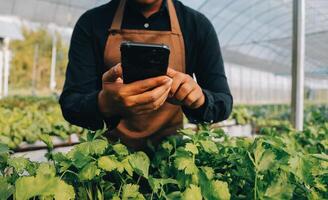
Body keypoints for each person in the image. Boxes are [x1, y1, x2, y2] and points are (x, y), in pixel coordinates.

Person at [59, 0, 233, 149]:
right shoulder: (92, 22)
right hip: (107, 157)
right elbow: (71, 103)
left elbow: (223, 102)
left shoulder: (196, 25)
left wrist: (199, 100)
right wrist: (105, 103)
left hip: (171, 158)